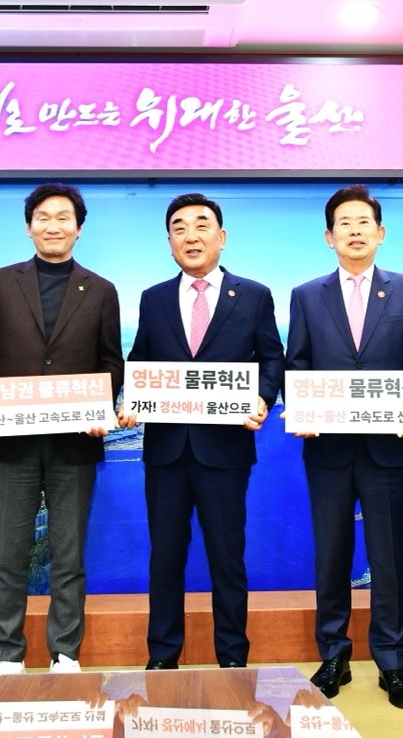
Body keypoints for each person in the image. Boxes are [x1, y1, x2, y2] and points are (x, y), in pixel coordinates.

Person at [285, 184, 403, 710]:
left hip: (387, 448)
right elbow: (298, 366)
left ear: (380, 232)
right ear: (329, 237)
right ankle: (334, 655)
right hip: (327, 450)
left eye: (363, 222)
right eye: (343, 224)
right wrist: (301, 410)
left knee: (388, 558)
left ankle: (393, 662)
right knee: (331, 556)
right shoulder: (306, 295)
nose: (354, 231)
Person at [119, 193, 285, 670]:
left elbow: (271, 357)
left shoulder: (253, 295)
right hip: (166, 451)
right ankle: (162, 658)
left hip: (225, 451)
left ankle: (232, 658)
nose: (190, 236)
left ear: (221, 236)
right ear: (169, 241)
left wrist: (262, 397)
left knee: (227, 559)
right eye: (179, 228)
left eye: (201, 225)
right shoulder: (153, 299)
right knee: (165, 558)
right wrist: (131, 399)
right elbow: (141, 360)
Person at [0, 183, 123, 683]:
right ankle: (7, 655)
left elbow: (110, 361)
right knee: (10, 553)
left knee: (68, 554)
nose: (53, 226)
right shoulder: (0, 282)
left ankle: (65, 653)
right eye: (43, 217)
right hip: (12, 442)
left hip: (75, 444)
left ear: (79, 228)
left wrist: (102, 406)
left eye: (63, 217)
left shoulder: (101, 290)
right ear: (29, 226)